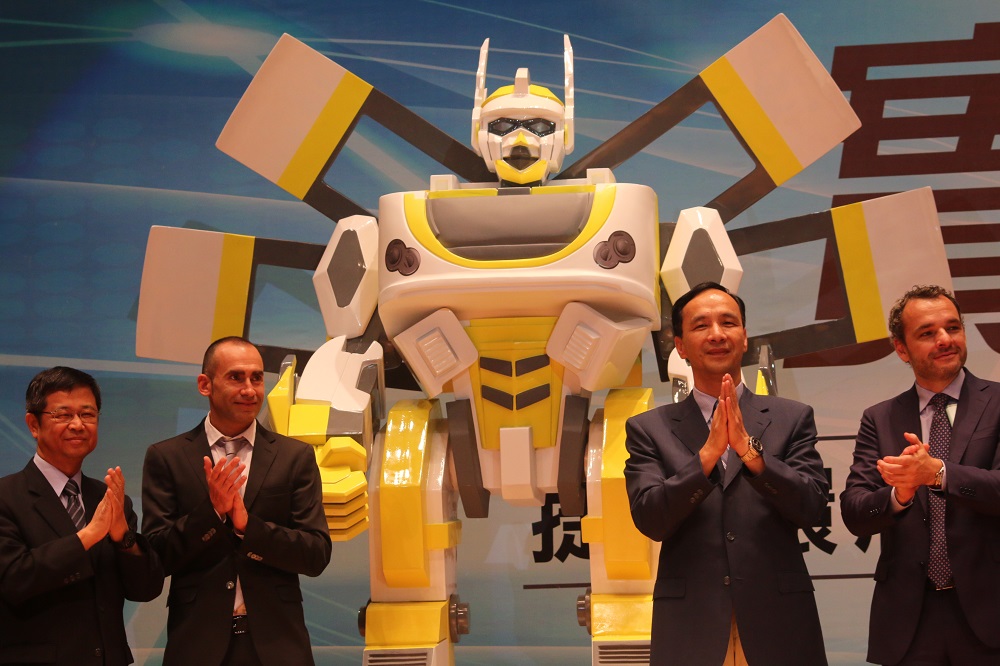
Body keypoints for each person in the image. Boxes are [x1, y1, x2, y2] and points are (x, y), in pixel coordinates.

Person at [624, 281, 829, 665]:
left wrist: (752, 454)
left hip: (779, 621)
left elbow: (813, 507)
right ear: (680, 345)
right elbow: (651, 519)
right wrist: (706, 457)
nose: (717, 334)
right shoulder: (649, 429)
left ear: (744, 337)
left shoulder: (791, 417)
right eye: (701, 325)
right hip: (691, 625)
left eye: (728, 322)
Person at [141, 336, 332, 666]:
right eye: (236, 377)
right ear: (205, 384)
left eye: (256, 378)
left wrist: (248, 528)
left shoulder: (294, 457)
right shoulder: (167, 457)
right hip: (197, 645)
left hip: (278, 645)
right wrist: (212, 513)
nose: (250, 390)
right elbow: (157, 556)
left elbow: (315, 554)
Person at [841, 285, 1000, 665]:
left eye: (953, 328)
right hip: (908, 620)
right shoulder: (880, 418)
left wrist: (940, 473)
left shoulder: (997, 403)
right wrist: (900, 494)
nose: (945, 340)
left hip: (989, 612)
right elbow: (855, 512)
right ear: (901, 349)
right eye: (927, 333)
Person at [0, 366, 163, 665]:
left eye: (87, 414)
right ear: (33, 425)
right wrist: (88, 536)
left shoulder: (110, 499)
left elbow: (146, 589)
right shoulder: (6, 497)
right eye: (63, 415)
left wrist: (123, 539)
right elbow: (13, 580)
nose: (77, 424)